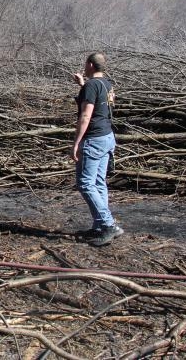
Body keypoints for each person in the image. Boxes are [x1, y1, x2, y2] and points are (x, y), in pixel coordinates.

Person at [71, 52, 122, 246]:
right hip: (107, 137)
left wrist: (76, 142)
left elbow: (86, 116)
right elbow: (100, 106)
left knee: (85, 183)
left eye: (86, 64)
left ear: (90, 65)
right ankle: (101, 225)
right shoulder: (106, 85)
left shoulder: (92, 86)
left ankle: (108, 224)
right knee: (99, 182)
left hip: (93, 139)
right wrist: (82, 85)